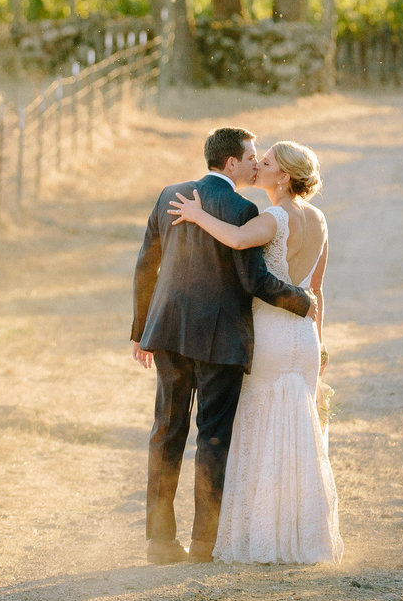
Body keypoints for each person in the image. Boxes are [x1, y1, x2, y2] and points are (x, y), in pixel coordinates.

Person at [130, 126, 316, 564]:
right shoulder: (241, 208)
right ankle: (203, 544)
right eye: (251, 156)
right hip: (221, 338)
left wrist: (141, 331)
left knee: (166, 431)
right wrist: (301, 301)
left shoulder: (169, 194)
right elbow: (253, 280)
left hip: (170, 332)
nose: (256, 163)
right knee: (212, 438)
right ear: (231, 163)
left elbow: (145, 264)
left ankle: (159, 542)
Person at [168, 139, 342, 564]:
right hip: (302, 335)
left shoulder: (274, 218)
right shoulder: (319, 220)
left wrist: (196, 214)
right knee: (297, 430)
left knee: (261, 425)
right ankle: (301, 536)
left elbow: (237, 239)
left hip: (271, 335)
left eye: (265, 163)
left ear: (283, 176)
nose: (257, 167)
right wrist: (319, 345)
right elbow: (315, 291)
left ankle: (262, 534)